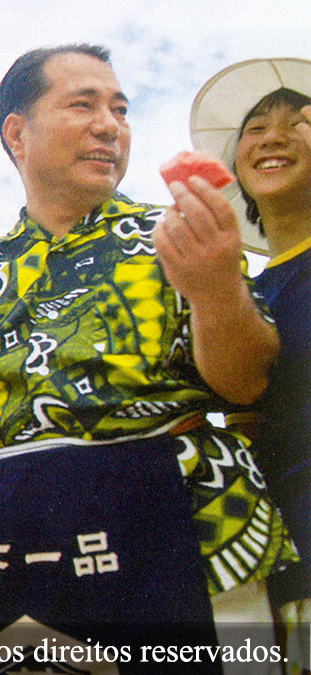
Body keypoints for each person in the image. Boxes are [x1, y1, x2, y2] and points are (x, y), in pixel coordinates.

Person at [0, 44, 296, 667]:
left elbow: (247, 383)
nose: (110, 125)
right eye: (82, 105)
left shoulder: (175, 235)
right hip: (23, 540)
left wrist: (218, 289)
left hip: (180, 526)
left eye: (119, 109)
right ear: (17, 133)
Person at [192, 57, 311, 673]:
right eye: (255, 127)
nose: (272, 136)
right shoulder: (237, 295)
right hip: (286, 561)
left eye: (299, 122)